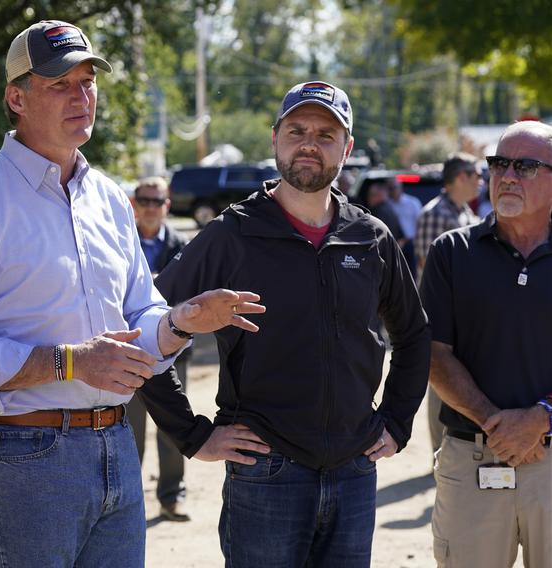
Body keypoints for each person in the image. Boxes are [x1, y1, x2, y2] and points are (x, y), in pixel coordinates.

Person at [0, 20, 264, 568]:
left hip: (116, 448)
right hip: (22, 456)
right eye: (60, 84)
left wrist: (180, 322)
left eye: (87, 82)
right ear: (16, 97)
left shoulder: (107, 197)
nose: (81, 97)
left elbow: (139, 317)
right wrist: (72, 363)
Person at [139, 80, 430, 567]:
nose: (309, 144)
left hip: (355, 473)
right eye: (297, 130)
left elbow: (415, 335)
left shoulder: (370, 237)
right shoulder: (231, 235)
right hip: (265, 474)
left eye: (326, 134)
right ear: (275, 139)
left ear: (347, 148)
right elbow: (146, 327)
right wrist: (192, 434)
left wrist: (397, 421)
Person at [420, 120, 552, 568]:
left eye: (527, 166)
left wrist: (542, 417)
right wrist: (498, 424)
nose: (507, 176)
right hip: (471, 458)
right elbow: (434, 355)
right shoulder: (451, 252)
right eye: (498, 164)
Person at [126, 176, 193, 522]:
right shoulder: (119, 241)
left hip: (173, 350)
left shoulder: (184, 245)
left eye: (157, 200)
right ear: (135, 204)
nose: (150, 207)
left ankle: (172, 496)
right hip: (128, 348)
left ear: (168, 205)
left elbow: (195, 293)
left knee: (172, 426)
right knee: (129, 430)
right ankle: (128, 504)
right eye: (144, 200)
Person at [413, 152, 481, 454]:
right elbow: (429, 270)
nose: (481, 181)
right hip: (443, 314)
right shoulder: (435, 213)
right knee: (441, 380)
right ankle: (442, 452)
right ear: (461, 177)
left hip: (467, 313)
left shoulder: (465, 211)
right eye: (477, 175)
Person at [387, 177, 422, 277]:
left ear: (400, 188)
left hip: (411, 244)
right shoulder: (386, 205)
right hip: (391, 244)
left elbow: (419, 224)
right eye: (389, 188)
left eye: (394, 187)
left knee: (411, 275)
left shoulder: (413, 203)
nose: (392, 190)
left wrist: (406, 240)